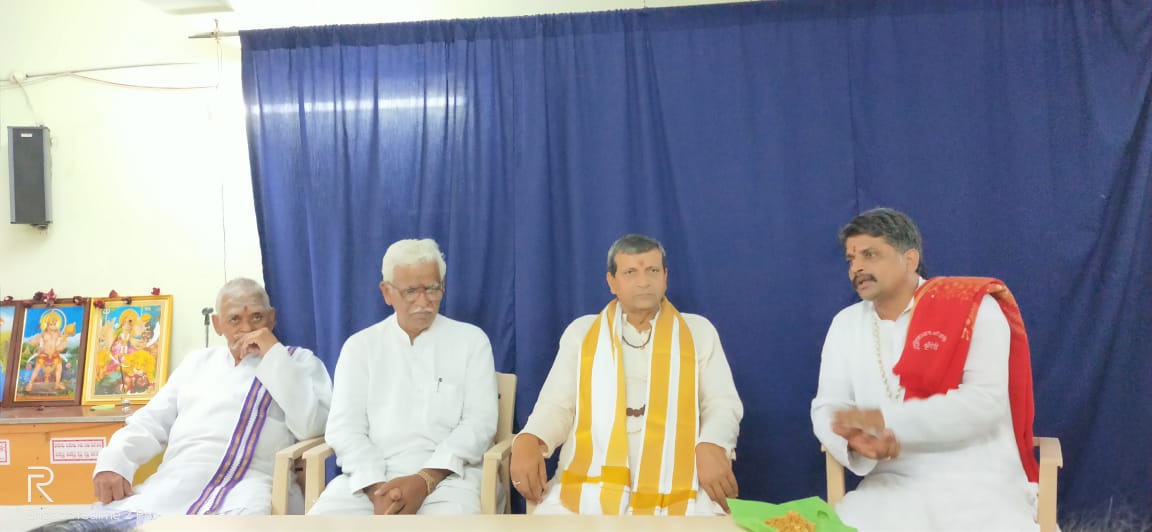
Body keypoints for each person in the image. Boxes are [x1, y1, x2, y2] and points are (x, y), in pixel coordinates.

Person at [811, 208, 1040, 531]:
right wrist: (850, 439)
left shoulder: (973, 309)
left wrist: (886, 422)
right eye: (851, 259)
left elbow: (984, 404)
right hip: (892, 483)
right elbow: (827, 404)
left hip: (979, 481)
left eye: (870, 254)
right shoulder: (845, 325)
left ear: (910, 259)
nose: (856, 267)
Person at [512, 234, 743, 516]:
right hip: (590, 483)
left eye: (653, 270)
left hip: (681, 484)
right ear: (612, 281)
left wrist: (712, 443)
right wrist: (530, 437)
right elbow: (557, 406)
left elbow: (721, 403)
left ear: (665, 277)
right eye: (630, 272)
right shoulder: (582, 334)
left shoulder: (698, 332)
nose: (643, 282)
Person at [91, 278, 332, 516]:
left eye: (257, 317)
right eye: (235, 319)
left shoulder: (298, 361)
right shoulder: (197, 363)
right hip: (178, 479)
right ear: (217, 325)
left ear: (272, 318)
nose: (247, 328)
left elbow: (313, 426)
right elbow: (150, 421)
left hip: (253, 483)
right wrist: (114, 461)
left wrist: (273, 356)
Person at [308, 238, 498, 515]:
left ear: (443, 286)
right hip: (369, 481)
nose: (423, 301)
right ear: (387, 292)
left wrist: (425, 480)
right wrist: (377, 490)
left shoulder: (471, 341)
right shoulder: (360, 347)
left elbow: (479, 424)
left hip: (450, 478)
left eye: (432, 289)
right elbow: (345, 429)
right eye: (410, 291)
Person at [25, 309, 71, 392]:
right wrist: (36, 346)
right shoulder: (43, 334)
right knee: (37, 368)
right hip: (44, 354)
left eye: (55, 324)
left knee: (59, 367)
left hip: (54, 354)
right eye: (51, 324)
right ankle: (30, 383)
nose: (53, 326)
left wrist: (65, 337)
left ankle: (57, 383)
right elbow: (34, 342)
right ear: (46, 325)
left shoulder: (58, 334)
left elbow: (63, 342)